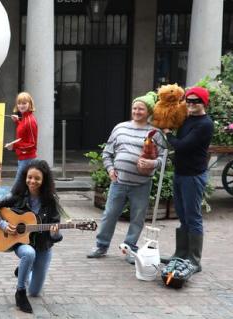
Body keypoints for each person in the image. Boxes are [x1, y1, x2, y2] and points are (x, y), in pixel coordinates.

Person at [87, 92, 164, 263]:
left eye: (141, 109)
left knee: (137, 218)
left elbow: (164, 158)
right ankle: (101, 246)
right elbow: (107, 153)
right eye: (135, 108)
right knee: (109, 215)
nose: (137, 111)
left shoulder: (155, 133)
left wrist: (152, 164)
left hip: (142, 184)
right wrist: (109, 169)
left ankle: (130, 249)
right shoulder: (120, 128)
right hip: (119, 182)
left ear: (148, 111)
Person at [0, 160, 65, 314]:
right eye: (29, 177)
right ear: (25, 177)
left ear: (44, 181)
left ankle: (23, 270)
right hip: (22, 243)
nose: (32, 181)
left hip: (43, 246)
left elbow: (55, 233)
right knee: (29, 253)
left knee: (35, 292)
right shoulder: (18, 196)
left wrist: (55, 233)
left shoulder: (50, 202)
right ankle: (20, 291)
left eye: (37, 178)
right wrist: (2, 224)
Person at [163, 86, 213, 273]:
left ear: (204, 103)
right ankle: (181, 254)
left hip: (193, 176)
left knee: (193, 217)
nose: (191, 104)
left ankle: (194, 260)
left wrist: (168, 134)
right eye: (189, 101)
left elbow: (183, 146)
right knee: (183, 215)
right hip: (180, 172)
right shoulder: (187, 119)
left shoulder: (205, 124)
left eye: (196, 101)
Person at [4, 92, 38, 186]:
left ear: (30, 104)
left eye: (24, 103)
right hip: (24, 157)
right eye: (19, 103)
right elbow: (24, 133)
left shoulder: (30, 120)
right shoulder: (24, 118)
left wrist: (14, 146)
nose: (21, 105)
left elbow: (32, 144)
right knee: (24, 187)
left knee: (17, 187)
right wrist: (17, 121)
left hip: (27, 158)